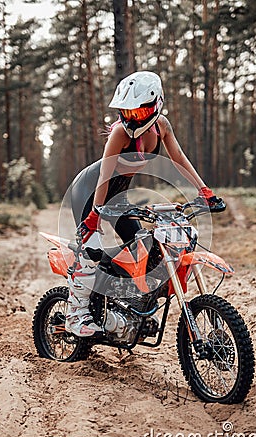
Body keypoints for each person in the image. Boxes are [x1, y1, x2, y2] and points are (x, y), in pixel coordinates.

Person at [65, 71, 221, 337]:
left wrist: (204, 190)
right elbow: (105, 175)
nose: (131, 118)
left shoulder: (162, 126)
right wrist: (94, 215)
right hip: (91, 191)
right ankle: (75, 315)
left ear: (155, 106)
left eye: (138, 113)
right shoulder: (119, 133)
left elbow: (179, 159)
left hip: (119, 195)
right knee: (90, 251)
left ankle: (126, 305)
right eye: (126, 113)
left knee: (144, 248)